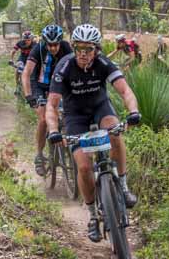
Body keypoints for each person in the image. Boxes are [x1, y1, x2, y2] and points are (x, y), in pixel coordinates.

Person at [46, 24, 141, 242]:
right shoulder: (65, 66)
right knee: (85, 166)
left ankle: (124, 188)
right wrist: (53, 130)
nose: (83, 54)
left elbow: (125, 90)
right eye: (79, 48)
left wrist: (134, 111)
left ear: (96, 49)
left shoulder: (103, 63)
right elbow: (52, 105)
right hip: (75, 116)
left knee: (115, 133)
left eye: (88, 49)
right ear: (74, 47)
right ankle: (91, 216)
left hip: (100, 108)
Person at [21, 24, 72, 176]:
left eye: (55, 44)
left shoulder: (66, 47)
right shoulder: (38, 49)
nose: (53, 48)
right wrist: (29, 96)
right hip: (40, 87)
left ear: (60, 42)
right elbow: (26, 73)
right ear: (45, 42)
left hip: (59, 86)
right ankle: (39, 155)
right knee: (44, 119)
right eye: (49, 45)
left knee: (69, 114)